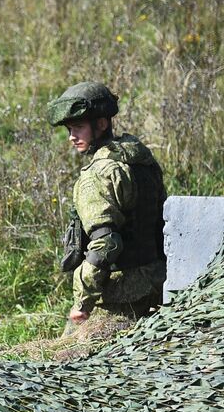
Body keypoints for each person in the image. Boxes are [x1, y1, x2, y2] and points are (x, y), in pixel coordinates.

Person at [48, 82, 166, 330]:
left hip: (120, 296)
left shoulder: (97, 174)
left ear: (101, 124)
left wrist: (82, 302)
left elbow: (106, 244)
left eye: (78, 128)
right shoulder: (142, 160)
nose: (72, 137)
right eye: (69, 129)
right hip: (157, 282)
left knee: (69, 359)